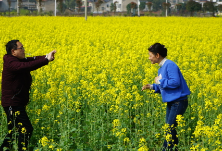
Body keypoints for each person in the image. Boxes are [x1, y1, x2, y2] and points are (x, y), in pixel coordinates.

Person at [0, 40, 56, 151]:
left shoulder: (16, 59)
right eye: (21, 48)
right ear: (13, 51)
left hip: (16, 102)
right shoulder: (12, 63)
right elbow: (26, 66)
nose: (24, 50)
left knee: (14, 132)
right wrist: (46, 60)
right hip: (13, 103)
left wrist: (46, 56)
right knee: (26, 129)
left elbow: (31, 60)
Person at [141, 43, 190, 151]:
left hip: (178, 101)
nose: (149, 58)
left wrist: (159, 81)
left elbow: (175, 82)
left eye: (150, 55)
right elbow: (165, 86)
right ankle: (173, 149)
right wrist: (152, 86)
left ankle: (166, 149)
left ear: (157, 55)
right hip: (173, 102)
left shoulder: (170, 65)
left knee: (169, 128)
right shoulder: (162, 68)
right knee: (170, 129)